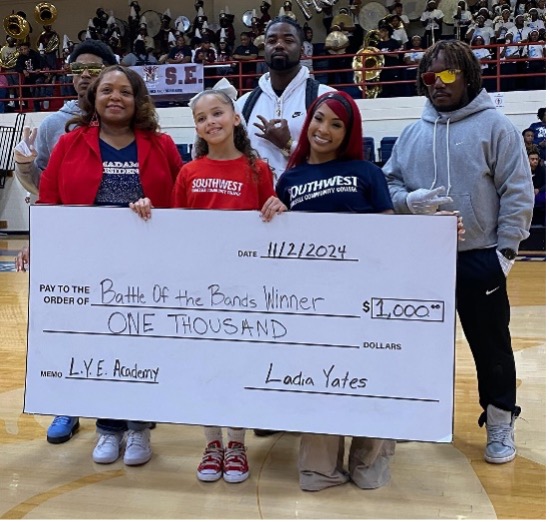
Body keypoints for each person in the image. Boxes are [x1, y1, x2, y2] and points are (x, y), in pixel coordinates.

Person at [17, 65, 183, 466]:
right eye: (107, 90)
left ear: (137, 99)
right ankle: (109, 427)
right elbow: (51, 200)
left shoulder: (161, 145)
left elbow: (180, 204)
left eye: (125, 91)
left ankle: (140, 427)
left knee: (141, 346)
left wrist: (157, 215)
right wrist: (37, 244)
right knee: (101, 346)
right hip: (89, 267)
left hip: (148, 268)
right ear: (94, 98)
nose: (115, 97)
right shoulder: (71, 144)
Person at [383, 40, 534, 465]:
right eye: (430, 77)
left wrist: (505, 253)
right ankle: (418, 414)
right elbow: (388, 185)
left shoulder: (496, 127)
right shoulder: (412, 134)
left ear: (468, 75)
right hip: (420, 259)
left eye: (448, 74)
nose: (438, 84)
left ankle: (500, 420)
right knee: (416, 344)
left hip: (478, 256)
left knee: (491, 348)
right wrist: (408, 201)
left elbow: (517, 193)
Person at [131, 85, 285, 482]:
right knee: (204, 367)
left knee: (236, 365)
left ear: (235, 118)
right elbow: (175, 228)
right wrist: (146, 209)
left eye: (217, 113)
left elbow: (269, 221)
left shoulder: (256, 169)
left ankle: (236, 443)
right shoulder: (189, 172)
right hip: (198, 290)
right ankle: (211, 442)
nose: (210, 122)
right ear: (196, 129)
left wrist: (278, 206)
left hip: (243, 290)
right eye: (201, 118)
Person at [276, 91, 395, 491]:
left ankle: (369, 459)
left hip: (364, 297)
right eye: (319, 119)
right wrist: (272, 212)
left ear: (349, 133)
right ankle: (318, 468)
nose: (323, 130)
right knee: (320, 380)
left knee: (370, 377)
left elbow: (395, 235)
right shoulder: (289, 180)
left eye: (336, 124)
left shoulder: (367, 173)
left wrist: (440, 231)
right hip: (312, 302)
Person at [235, 15, 334, 182]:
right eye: (272, 41)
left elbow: (339, 163)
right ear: (264, 47)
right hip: (258, 205)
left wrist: (288, 144)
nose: (279, 45)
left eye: (288, 40)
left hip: (308, 204)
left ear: (302, 51)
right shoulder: (243, 104)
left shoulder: (326, 98)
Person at [14, 40, 117, 196]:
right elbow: (44, 186)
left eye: (94, 68)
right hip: (71, 216)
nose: (85, 74)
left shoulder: (122, 121)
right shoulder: (52, 124)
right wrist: (24, 166)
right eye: (78, 68)